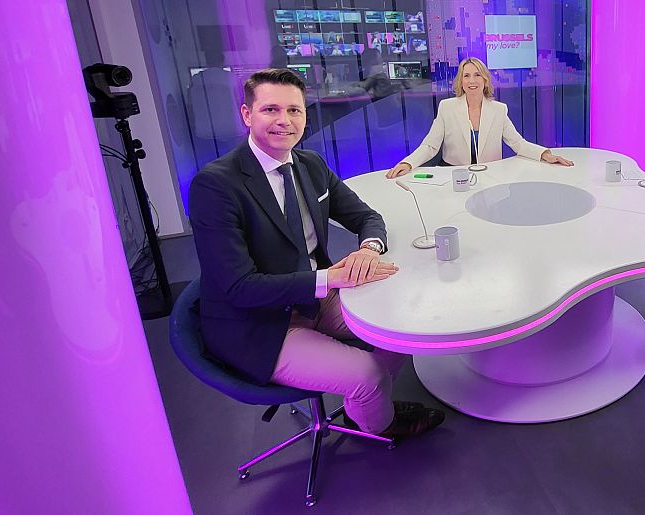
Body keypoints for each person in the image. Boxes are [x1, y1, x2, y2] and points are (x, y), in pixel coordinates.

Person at [189, 68, 444, 442]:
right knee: (368, 375)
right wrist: (329, 279)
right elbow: (238, 287)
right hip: (259, 323)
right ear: (247, 115)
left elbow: (367, 217)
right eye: (270, 110)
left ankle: (366, 407)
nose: (284, 121)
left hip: (314, 300)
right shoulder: (216, 185)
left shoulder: (311, 166)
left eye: (294, 111)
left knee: (402, 329)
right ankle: (382, 424)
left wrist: (368, 249)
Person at [385, 57, 573, 177]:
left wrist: (546, 155)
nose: (471, 80)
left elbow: (518, 144)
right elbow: (430, 146)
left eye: (477, 75)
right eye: (466, 76)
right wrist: (408, 163)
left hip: (489, 176)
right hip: (454, 175)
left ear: (485, 80)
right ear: (461, 81)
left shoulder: (499, 110)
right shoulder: (447, 107)